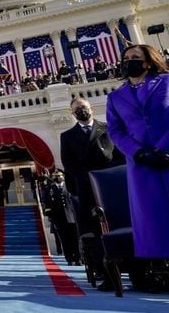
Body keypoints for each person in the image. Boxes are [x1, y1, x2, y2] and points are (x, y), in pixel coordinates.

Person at [106, 44, 169, 258]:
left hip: (167, 154)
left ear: (148, 61)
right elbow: (115, 131)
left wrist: (162, 149)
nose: (129, 61)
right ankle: (161, 265)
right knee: (153, 216)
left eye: (135, 57)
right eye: (126, 58)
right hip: (142, 164)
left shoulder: (166, 82)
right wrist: (139, 153)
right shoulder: (115, 97)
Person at [60, 96, 124, 288]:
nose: (82, 110)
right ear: (72, 114)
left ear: (91, 108)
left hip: (113, 187)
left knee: (120, 224)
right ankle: (105, 273)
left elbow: (120, 156)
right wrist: (88, 177)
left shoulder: (108, 128)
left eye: (84, 107)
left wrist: (108, 174)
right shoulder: (68, 136)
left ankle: (136, 271)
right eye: (77, 109)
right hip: (88, 189)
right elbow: (68, 164)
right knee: (97, 231)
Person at [44, 170, 80, 266]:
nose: (57, 178)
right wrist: (50, 216)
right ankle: (69, 259)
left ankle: (78, 258)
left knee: (75, 238)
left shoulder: (69, 186)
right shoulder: (49, 189)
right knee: (64, 239)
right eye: (55, 176)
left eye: (59, 176)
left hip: (72, 217)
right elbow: (47, 204)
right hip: (59, 218)